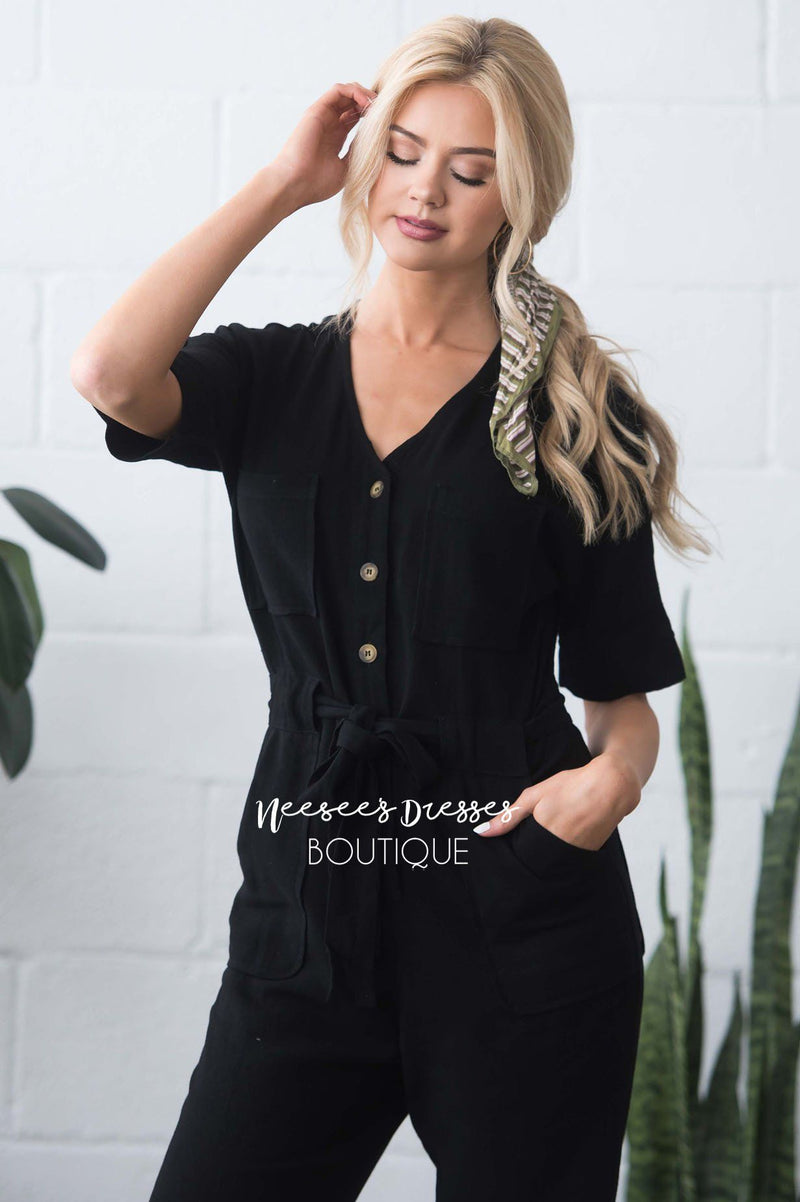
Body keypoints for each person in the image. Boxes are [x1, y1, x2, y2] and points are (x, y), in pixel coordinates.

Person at [70, 16, 713, 1202]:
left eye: (470, 171)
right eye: (404, 153)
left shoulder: (573, 413)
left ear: (517, 196)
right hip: (307, 913)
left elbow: (619, 704)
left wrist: (608, 782)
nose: (424, 191)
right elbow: (109, 373)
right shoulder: (269, 378)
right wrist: (281, 183)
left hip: (521, 922)